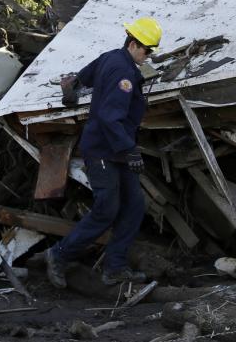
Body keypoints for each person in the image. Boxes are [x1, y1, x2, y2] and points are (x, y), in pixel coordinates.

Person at [46, 17, 163, 287]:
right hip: (103, 150)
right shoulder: (124, 75)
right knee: (106, 210)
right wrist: (130, 150)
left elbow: (83, 76)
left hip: (117, 149)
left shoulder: (111, 57)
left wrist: (72, 87)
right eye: (147, 51)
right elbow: (111, 118)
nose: (149, 56)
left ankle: (115, 268)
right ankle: (58, 255)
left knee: (134, 207)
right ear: (133, 44)